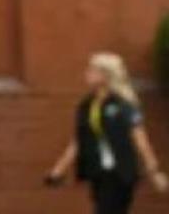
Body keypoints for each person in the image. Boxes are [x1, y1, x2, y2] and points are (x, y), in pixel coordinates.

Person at [45, 52, 169, 214]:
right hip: (98, 171)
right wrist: (59, 170)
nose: (87, 72)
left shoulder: (122, 104)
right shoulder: (87, 105)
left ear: (106, 75)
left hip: (120, 172)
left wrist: (154, 172)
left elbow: (140, 139)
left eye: (93, 69)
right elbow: (79, 140)